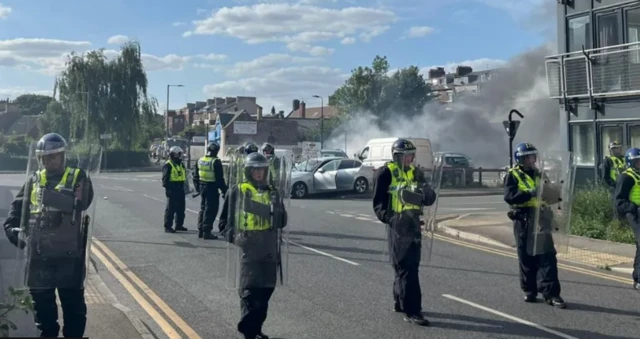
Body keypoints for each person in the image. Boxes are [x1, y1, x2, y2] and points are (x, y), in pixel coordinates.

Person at [3, 133, 95, 337]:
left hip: (69, 256)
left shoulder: (77, 176)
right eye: (44, 157)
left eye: (52, 156)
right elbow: (18, 207)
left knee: (74, 310)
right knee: (43, 313)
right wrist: (11, 228)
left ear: (62, 156)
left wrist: (52, 198)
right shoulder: (34, 179)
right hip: (39, 256)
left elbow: (83, 202)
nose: (47, 161)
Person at [219, 152, 288, 339]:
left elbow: (283, 221)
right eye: (255, 170)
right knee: (250, 293)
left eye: (262, 170)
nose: (259, 173)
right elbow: (223, 224)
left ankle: (256, 329)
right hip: (248, 249)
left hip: (269, 249)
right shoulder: (237, 191)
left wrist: (275, 211)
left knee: (266, 291)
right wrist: (237, 238)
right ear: (248, 171)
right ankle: (249, 332)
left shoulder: (272, 191)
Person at [372, 138, 436, 326]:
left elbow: (430, 195)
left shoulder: (416, 173)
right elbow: (378, 204)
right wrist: (390, 218)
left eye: (411, 155)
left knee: (407, 267)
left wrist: (426, 195)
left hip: (414, 224)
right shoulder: (386, 172)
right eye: (405, 156)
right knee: (406, 268)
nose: (409, 159)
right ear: (396, 156)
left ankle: (401, 302)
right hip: (397, 226)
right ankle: (413, 311)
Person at [504, 142, 566, 308]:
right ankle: (529, 290)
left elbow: (549, 195)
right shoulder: (512, 175)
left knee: (546, 256)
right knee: (525, 255)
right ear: (521, 159)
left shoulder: (540, 173)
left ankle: (551, 293)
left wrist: (555, 191)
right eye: (528, 157)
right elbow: (509, 196)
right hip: (523, 218)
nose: (532, 159)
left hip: (541, 218)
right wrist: (530, 193)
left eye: (533, 156)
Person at [614, 148, 640, 290]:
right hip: (634, 214)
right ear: (631, 162)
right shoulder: (626, 177)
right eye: (637, 161)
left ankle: (637, 278)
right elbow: (619, 201)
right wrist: (633, 208)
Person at [193, 142, 227, 239]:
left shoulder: (200, 160)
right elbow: (220, 179)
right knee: (211, 210)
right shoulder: (216, 161)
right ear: (217, 151)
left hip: (202, 187)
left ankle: (200, 230)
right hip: (212, 188)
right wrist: (225, 191)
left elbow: (195, 176)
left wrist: (197, 189)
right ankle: (206, 231)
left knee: (203, 208)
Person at [162, 146, 188, 233]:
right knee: (170, 209)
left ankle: (179, 225)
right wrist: (168, 189)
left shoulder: (181, 164)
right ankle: (168, 226)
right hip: (172, 189)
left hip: (180, 188)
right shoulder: (168, 164)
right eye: (179, 154)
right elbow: (165, 179)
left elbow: (184, 176)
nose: (181, 156)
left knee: (181, 208)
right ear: (175, 154)